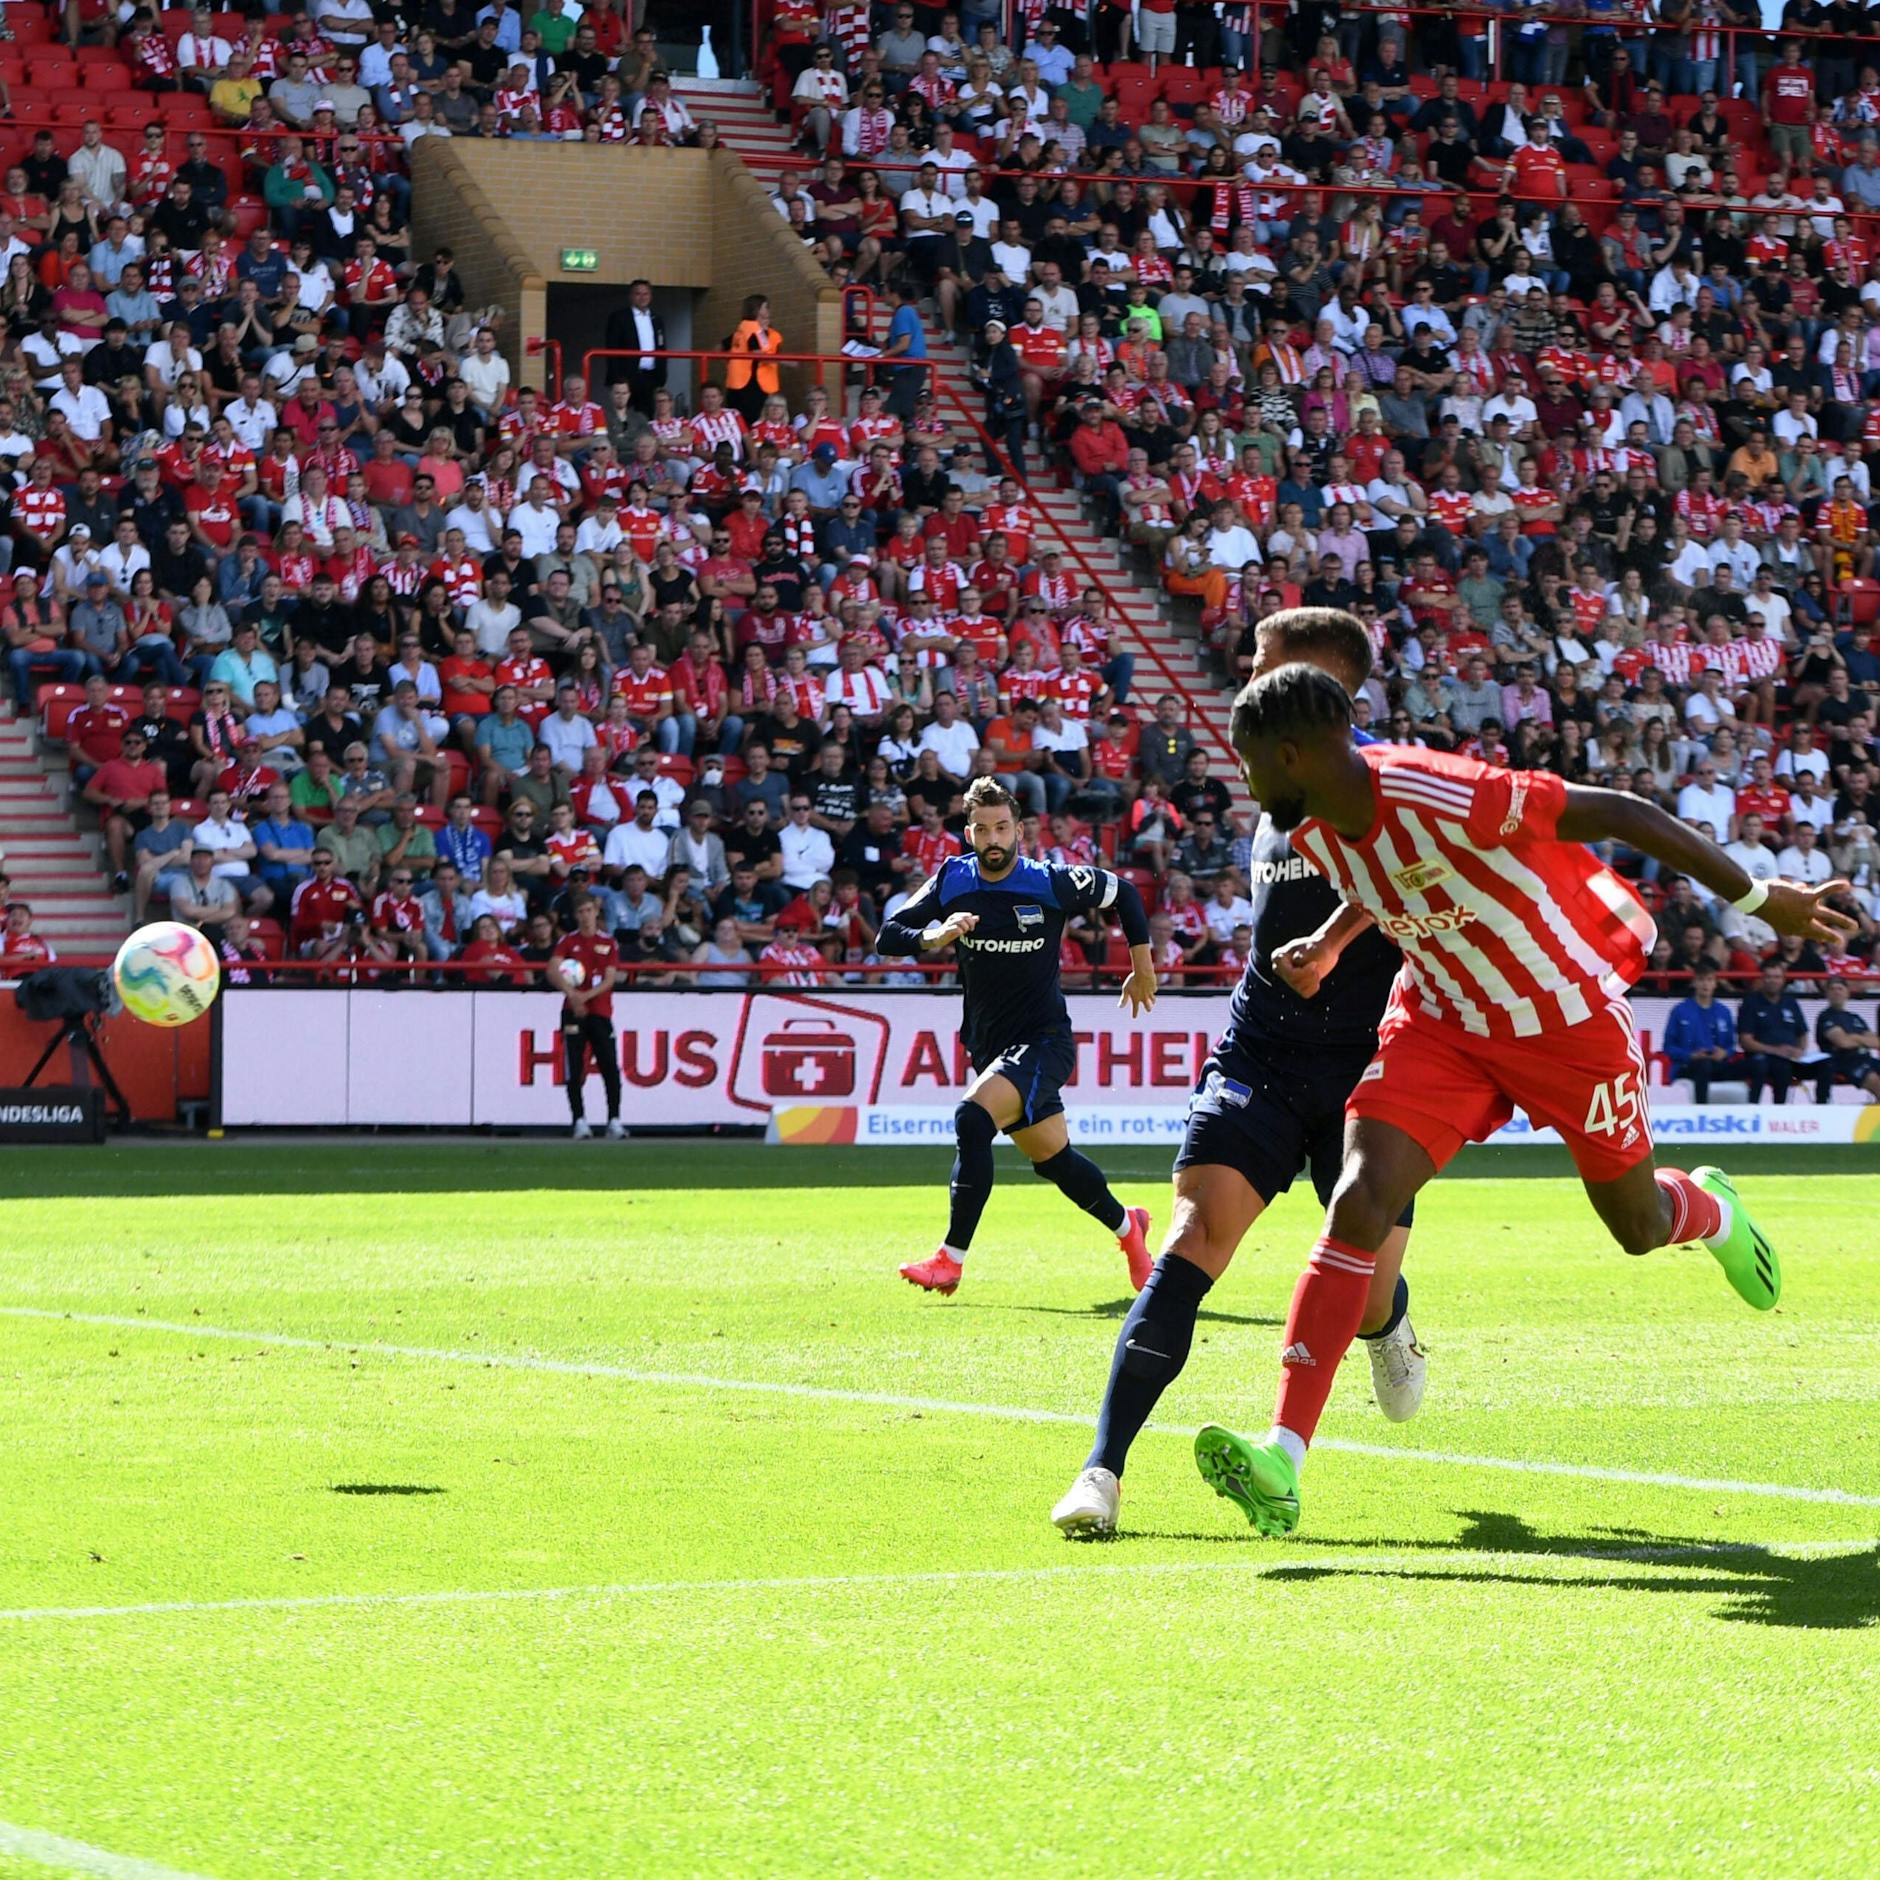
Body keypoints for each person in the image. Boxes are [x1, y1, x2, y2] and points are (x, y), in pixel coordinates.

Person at [1192, 654, 1852, 1537]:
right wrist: (1327, 942)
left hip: (1564, 1020)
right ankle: (1283, 1456)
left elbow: (1625, 813)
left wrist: (1763, 897)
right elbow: (1383, 884)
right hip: (1440, 1023)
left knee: (1638, 1228)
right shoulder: (1309, 823)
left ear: (1296, 752)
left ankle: (1709, 1207)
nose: (1243, 777)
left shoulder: (1442, 790)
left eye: (1249, 759)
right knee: (1358, 1200)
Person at [1052, 609, 1424, 1539]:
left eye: (1262, 663)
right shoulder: (1273, 777)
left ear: (1323, 682)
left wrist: (1340, 944)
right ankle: (1101, 1472)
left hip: (1369, 1069)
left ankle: (1390, 1323)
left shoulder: (1387, 782)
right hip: (1260, 1052)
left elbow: (1418, 889)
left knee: (1368, 1286)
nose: (1242, 676)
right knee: (1191, 1237)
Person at [875, 776, 1157, 1297]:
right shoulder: (953, 880)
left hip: (1044, 1039)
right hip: (990, 1046)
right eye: (982, 829)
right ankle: (1129, 1228)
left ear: (1019, 830)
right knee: (1055, 1162)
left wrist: (1141, 967)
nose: (993, 838)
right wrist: (932, 935)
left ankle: (951, 1259)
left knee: (971, 1117)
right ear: (969, 834)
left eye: (1002, 827)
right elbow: (888, 935)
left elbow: (1127, 893)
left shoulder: (1049, 882)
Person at [546, 891, 626, 1140]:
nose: (585, 916)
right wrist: (571, 994)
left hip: (600, 1011)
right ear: (575, 915)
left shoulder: (608, 942)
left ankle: (614, 1119)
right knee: (575, 1066)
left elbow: (610, 979)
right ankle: (579, 1120)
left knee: (609, 1066)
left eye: (589, 910)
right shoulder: (568, 942)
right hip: (573, 1012)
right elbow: (552, 969)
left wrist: (584, 996)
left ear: (596, 911)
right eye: (580, 912)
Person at [1662, 963, 1745, 1104]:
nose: (1705, 984)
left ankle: (1758, 1114)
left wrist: (1724, 1053)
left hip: (1717, 1065)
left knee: (1755, 1065)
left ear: (1715, 984)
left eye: (1709, 980)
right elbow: (1668, 1047)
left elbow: (1731, 1045)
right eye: (1701, 980)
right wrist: (1690, 1055)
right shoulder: (1680, 1010)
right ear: (1694, 983)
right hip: (1688, 1066)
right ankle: (1702, 1112)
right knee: (1703, 1064)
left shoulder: (1723, 1011)